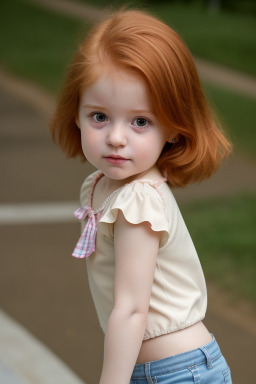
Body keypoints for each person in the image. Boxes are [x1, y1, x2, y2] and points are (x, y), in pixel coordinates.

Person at [50, 8, 233, 384]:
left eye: (140, 121)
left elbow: (132, 310)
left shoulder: (139, 201)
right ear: (76, 113)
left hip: (178, 373)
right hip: (162, 369)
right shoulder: (100, 184)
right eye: (99, 116)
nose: (117, 137)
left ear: (173, 128)